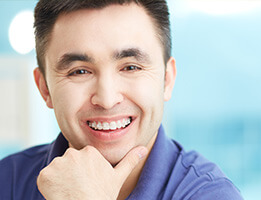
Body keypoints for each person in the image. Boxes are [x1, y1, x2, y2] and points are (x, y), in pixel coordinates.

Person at [0, 0, 243, 199]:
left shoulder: (211, 194)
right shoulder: (7, 181)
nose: (107, 99)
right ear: (45, 89)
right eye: (80, 71)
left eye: (130, 67)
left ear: (166, 80)